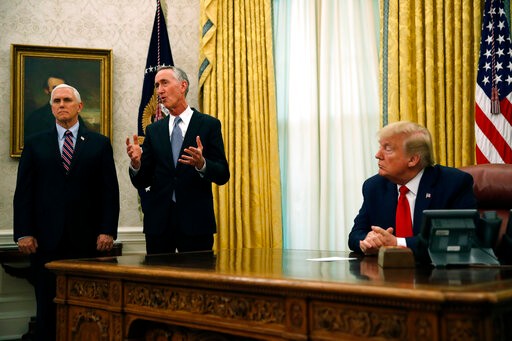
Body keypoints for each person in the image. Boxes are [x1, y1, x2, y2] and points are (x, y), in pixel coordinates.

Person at [13, 84, 120, 341]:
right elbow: (24, 193)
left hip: (87, 242)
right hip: (45, 242)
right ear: (51, 108)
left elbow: (109, 192)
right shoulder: (35, 143)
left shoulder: (99, 143)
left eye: (67, 100)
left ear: (79, 106)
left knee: (88, 310)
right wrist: (23, 232)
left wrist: (108, 230)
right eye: (57, 101)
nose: (62, 105)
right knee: (48, 308)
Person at [126, 66, 230, 255]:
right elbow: (143, 180)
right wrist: (136, 164)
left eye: (164, 83)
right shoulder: (154, 130)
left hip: (196, 224)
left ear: (183, 86)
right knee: (157, 283)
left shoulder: (209, 125)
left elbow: (223, 174)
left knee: (195, 282)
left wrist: (202, 164)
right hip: (158, 225)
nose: (159, 90)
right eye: (157, 85)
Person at [348, 121, 476, 260]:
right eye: (380, 147)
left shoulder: (452, 184)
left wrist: (397, 243)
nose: (378, 155)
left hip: (437, 276)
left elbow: (458, 240)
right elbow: (355, 235)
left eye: (388, 149)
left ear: (413, 159)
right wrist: (367, 240)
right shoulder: (374, 187)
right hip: (387, 277)